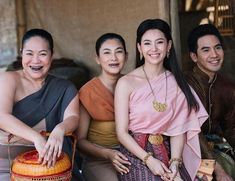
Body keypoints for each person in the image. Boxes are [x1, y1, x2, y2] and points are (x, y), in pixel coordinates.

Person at [115, 19, 208, 181]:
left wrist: (175, 163)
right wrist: (149, 160)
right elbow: (122, 133)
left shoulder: (177, 83)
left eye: (159, 42)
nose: (154, 49)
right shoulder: (125, 83)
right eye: (147, 43)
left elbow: (179, 129)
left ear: (169, 46)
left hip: (170, 152)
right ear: (139, 48)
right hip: (136, 154)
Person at [0, 29, 81, 180]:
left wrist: (60, 129)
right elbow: (2, 116)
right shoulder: (8, 79)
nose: (35, 60)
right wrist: (36, 137)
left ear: (52, 55)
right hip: (6, 168)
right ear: (21, 53)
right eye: (29, 53)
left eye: (42, 54)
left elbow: (74, 117)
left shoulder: (64, 87)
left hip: (49, 169)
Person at [77, 33, 131, 181]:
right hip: (99, 159)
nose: (113, 58)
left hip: (133, 155)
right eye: (107, 52)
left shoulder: (133, 85)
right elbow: (80, 141)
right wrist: (108, 154)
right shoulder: (88, 92)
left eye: (118, 52)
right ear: (97, 59)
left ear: (126, 57)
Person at [185, 23, 235, 181]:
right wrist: (218, 171)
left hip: (215, 148)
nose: (214, 54)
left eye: (218, 47)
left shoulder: (228, 86)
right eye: (206, 50)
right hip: (188, 149)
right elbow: (192, 133)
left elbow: (231, 129)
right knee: (207, 177)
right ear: (194, 56)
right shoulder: (184, 84)